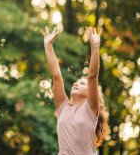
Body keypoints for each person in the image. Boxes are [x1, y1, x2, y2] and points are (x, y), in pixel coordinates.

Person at [41, 26, 109, 155]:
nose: (76, 84)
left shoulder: (90, 109)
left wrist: (95, 47)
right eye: (76, 82)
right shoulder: (63, 107)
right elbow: (56, 75)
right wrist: (48, 45)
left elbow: (92, 77)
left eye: (82, 83)